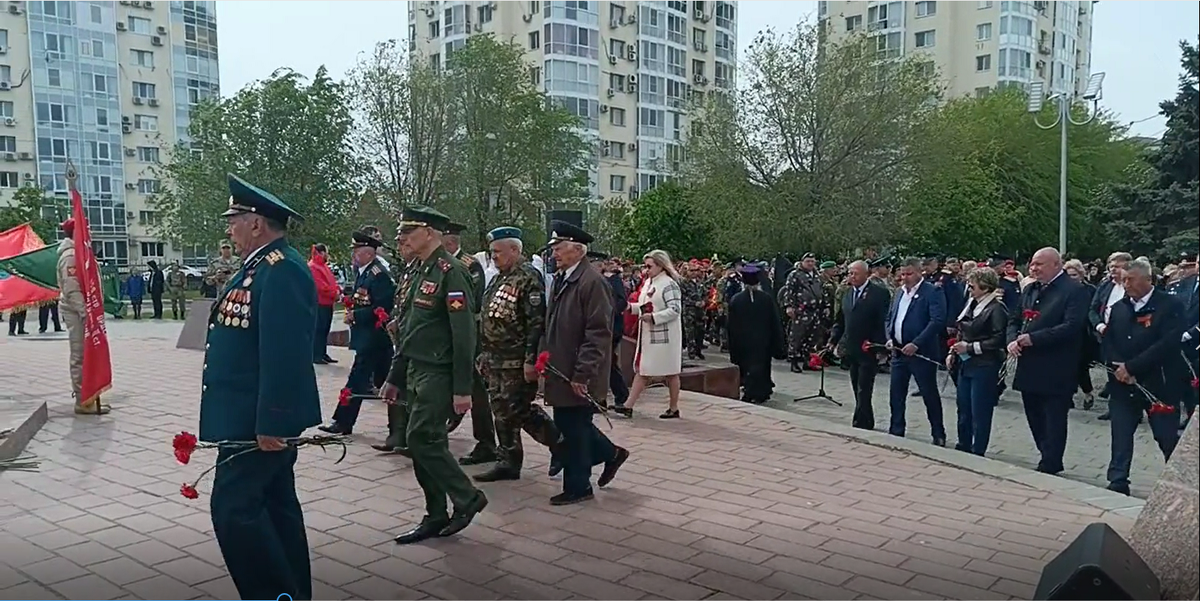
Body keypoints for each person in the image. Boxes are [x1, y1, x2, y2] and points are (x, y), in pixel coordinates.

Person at [199, 174, 321, 600]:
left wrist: (274, 422)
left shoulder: (282, 269)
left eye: (235, 218)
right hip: (244, 413)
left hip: (257, 420)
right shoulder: (258, 267)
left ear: (257, 223)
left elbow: (285, 354)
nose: (229, 227)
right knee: (275, 507)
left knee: (234, 512)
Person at [381, 206, 487, 544]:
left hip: (438, 372)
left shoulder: (451, 272)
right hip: (415, 368)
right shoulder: (418, 270)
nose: (402, 239)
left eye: (408, 232)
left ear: (429, 232)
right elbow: (411, 329)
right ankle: (435, 513)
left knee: (420, 440)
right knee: (426, 441)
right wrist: (395, 376)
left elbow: (464, 334)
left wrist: (462, 388)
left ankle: (467, 497)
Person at [539, 220, 628, 505]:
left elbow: (598, 333)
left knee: (574, 428)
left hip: (578, 371)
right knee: (570, 425)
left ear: (578, 250)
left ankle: (579, 487)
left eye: (559, 248)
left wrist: (582, 374)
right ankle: (610, 454)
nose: (554, 254)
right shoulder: (565, 278)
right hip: (562, 367)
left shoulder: (592, 282)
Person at [473, 226, 563, 482]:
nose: (493, 257)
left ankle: (559, 444)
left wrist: (530, 360)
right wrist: (483, 354)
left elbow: (535, 323)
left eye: (498, 252)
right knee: (501, 410)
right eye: (491, 252)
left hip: (515, 360)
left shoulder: (527, 277)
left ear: (514, 250)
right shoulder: (500, 277)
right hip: (495, 359)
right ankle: (508, 461)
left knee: (519, 409)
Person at [1102, 258, 1184, 495]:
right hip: (1122, 383)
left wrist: (1133, 367)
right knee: (1121, 433)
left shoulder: (1169, 305)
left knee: (1165, 435)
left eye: (1130, 279)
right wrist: (1118, 367)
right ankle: (1118, 479)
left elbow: (1167, 343)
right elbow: (1109, 342)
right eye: (1124, 279)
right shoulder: (1119, 308)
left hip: (1158, 382)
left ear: (1148, 280)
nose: (1125, 284)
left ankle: (1180, 478)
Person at [1006, 247, 1090, 475]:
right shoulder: (1030, 289)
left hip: (1056, 365)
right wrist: (1012, 339)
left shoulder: (1074, 291)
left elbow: (1071, 326)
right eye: (1032, 263)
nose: (1033, 268)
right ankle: (1045, 452)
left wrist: (1034, 338)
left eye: (1039, 264)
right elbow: (1014, 318)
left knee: (1053, 416)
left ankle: (1051, 461)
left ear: (1056, 264)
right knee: (1033, 414)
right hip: (1029, 363)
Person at [319, 228, 395, 435]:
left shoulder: (378, 275)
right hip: (370, 339)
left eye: (357, 251)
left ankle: (343, 422)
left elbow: (383, 307)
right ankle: (399, 428)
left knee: (359, 380)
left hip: (374, 339)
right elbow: (363, 300)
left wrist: (357, 316)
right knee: (387, 382)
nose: (354, 254)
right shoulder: (364, 272)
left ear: (369, 253)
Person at [442, 221, 498, 467]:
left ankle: (486, 441)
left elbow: (469, 303)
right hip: (445, 336)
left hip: (469, 335)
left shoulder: (468, 265)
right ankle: (446, 422)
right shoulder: (438, 265)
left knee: (476, 389)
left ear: (451, 242)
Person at [884, 257, 948, 446]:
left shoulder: (932, 291)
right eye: (902, 274)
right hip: (898, 352)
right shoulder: (898, 293)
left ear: (920, 272)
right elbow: (889, 318)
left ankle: (938, 432)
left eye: (909, 274)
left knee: (929, 393)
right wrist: (889, 337)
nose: (905, 278)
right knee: (896, 393)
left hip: (922, 352)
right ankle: (896, 428)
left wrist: (917, 343)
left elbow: (936, 321)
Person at [947, 267, 1009, 456]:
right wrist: (953, 351)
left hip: (985, 364)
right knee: (963, 405)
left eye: (972, 283)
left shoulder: (997, 309)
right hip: (966, 363)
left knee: (980, 409)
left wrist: (971, 347)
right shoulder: (971, 304)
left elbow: (999, 339)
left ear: (985, 286)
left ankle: (978, 448)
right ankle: (963, 443)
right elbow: (962, 330)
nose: (969, 287)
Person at [618, 249, 685, 419]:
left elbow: (675, 309)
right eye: (645, 266)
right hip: (648, 335)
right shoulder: (648, 283)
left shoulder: (669, 284)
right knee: (645, 370)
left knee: (668, 372)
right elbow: (644, 306)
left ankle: (672, 407)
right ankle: (629, 405)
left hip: (665, 336)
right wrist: (628, 307)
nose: (646, 270)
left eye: (649, 266)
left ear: (660, 265)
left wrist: (654, 317)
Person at [56, 219, 108, 415]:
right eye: (87, 230)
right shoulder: (70, 256)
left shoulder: (82, 252)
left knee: (91, 354)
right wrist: (86, 314)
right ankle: (82, 400)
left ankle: (91, 396)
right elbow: (72, 290)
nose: (91, 233)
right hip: (76, 312)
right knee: (80, 355)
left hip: (86, 312)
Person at [829, 260, 889, 429]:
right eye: (849, 273)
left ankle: (860, 422)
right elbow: (840, 321)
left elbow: (882, 321)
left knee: (865, 387)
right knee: (856, 385)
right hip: (851, 347)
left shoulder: (879, 294)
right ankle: (866, 418)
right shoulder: (847, 294)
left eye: (855, 273)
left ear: (866, 274)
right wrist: (834, 340)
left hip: (869, 347)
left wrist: (881, 347)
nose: (851, 276)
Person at [727, 264, 786, 404]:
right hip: (763, 341)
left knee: (747, 366)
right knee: (762, 366)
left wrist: (732, 345)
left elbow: (730, 326)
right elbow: (775, 322)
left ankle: (750, 390)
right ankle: (760, 392)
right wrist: (778, 342)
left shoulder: (736, 299)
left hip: (743, 341)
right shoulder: (766, 298)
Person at [1065, 259, 1098, 409]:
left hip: (1084, 333)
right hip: (1067, 331)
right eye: (1068, 275)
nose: (1071, 278)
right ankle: (1068, 395)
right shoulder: (1063, 290)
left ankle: (1088, 392)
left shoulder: (1090, 290)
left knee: (1081, 366)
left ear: (1081, 275)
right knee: (1067, 365)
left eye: (1074, 275)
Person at [308, 244, 340, 365]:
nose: (328, 255)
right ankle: (316, 354)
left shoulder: (323, 266)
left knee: (325, 329)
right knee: (319, 329)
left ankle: (322, 353)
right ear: (321, 253)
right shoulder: (313, 267)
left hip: (327, 303)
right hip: (320, 303)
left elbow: (331, 282)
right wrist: (334, 293)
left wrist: (337, 291)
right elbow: (320, 287)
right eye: (326, 252)